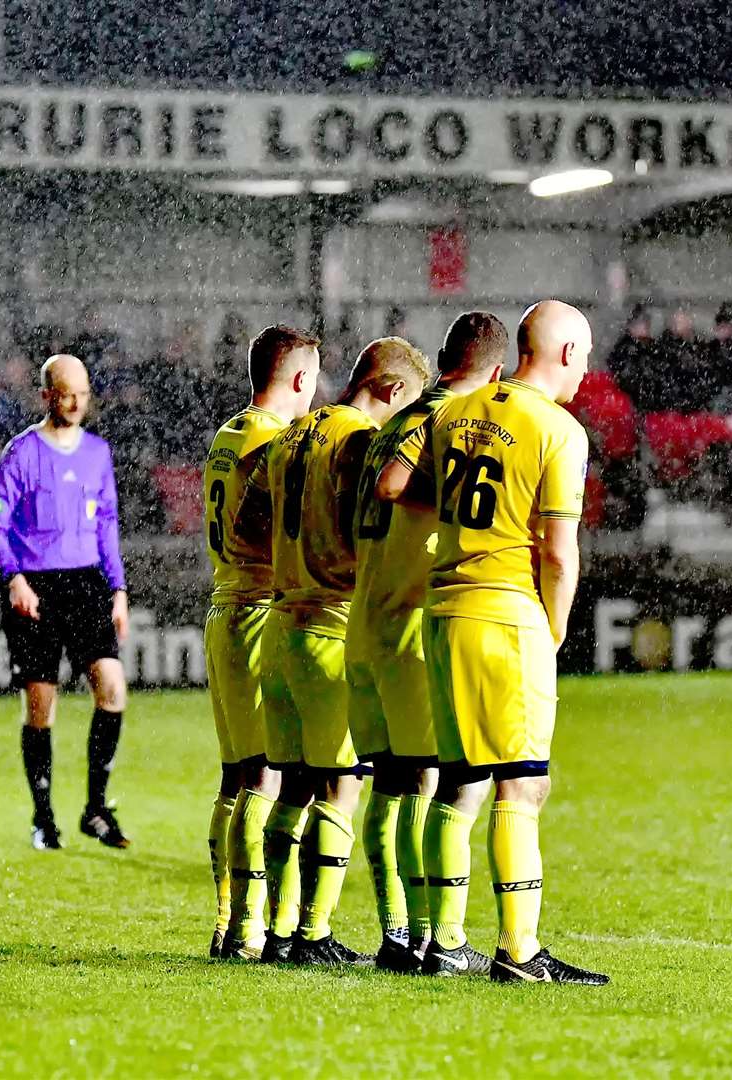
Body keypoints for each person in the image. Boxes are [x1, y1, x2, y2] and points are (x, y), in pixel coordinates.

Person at [378, 300, 608, 985]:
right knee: (522, 787)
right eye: (586, 355)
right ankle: (519, 949)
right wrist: (555, 629)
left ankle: (441, 939)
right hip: (508, 616)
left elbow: (407, 490)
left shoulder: (454, 412)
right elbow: (560, 555)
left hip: (444, 611)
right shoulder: (559, 431)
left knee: (459, 780)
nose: (587, 369)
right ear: (566, 354)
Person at [241, 336, 427, 965]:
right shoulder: (356, 441)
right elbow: (363, 523)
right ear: (394, 390)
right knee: (340, 791)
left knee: (291, 787)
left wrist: (295, 553)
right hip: (327, 627)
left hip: (278, 629)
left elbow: (246, 524)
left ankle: (278, 930)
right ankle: (315, 934)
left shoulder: (289, 435)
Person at [350, 311, 507, 973]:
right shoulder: (440, 419)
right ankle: (429, 937)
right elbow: (394, 488)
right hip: (411, 623)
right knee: (424, 783)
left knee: (390, 786)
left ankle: (397, 933)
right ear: (494, 373)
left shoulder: (389, 426)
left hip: (368, 618)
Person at [0, 354, 132, 851]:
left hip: (86, 582)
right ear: (46, 394)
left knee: (112, 688)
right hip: (35, 588)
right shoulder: (21, 453)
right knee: (41, 706)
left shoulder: (97, 453)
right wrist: (14, 577)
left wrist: (119, 588)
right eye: (66, 393)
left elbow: (107, 524)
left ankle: (96, 808)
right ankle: (44, 817)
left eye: (83, 394)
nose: (75, 403)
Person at [201, 325, 321, 960]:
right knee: (263, 777)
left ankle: (227, 921)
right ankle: (248, 928)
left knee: (233, 777)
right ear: (300, 379)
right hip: (254, 608)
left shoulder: (228, 434)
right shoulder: (273, 442)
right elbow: (260, 524)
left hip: (222, 604)